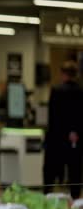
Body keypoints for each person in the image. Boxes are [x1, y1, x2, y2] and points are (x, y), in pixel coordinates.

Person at [44, 60, 83, 198]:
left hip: (57, 138)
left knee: (51, 171)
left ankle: (47, 196)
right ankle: (75, 199)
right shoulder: (80, 92)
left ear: (63, 74)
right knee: (75, 172)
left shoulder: (56, 91)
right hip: (75, 140)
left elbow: (52, 116)